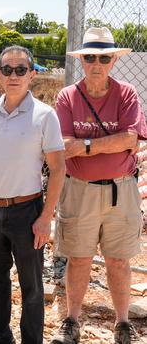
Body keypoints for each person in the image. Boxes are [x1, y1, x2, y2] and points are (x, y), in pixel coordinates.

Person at [50, 27, 147, 344]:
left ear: (112, 61)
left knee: (118, 260)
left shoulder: (126, 93)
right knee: (78, 258)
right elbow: (64, 144)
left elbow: (131, 138)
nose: (96, 63)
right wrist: (111, 143)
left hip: (121, 189)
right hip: (79, 188)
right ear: (82, 60)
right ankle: (71, 321)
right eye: (90, 56)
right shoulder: (67, 96)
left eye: (103, 57)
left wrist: (87, 145)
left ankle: (122, 323)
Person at [0, 46, 65, 344]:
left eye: (21, 69)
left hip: (27, 212)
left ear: (32, 74)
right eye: (7, 69)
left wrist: (46, 218)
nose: (14, 75)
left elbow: (58, 170)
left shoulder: (45, 116)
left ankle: (31, 340)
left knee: (31, 284)